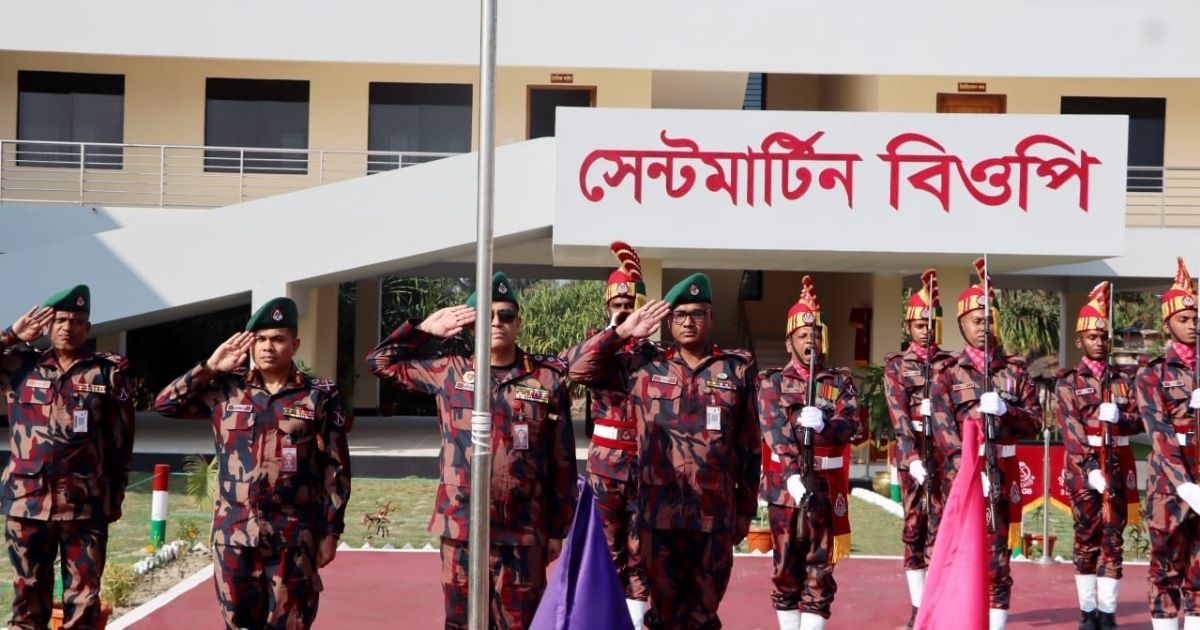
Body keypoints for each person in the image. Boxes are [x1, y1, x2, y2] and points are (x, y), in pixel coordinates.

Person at [366, 271, 577, 629]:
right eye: (487, 315)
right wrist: (424, 331)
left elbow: (562, 461)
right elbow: (380, 363)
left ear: (518, 323)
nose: (497, 323)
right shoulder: (450, 372)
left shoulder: (546, 381)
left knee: (520, 623)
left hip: (523, 532)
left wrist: (557, 530)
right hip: (462, 526)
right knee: (461, 622)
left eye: (506, 316)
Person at [567, 272, 760, 629]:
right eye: (680, 314)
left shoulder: (736, 368)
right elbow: (578, 369)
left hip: (713, 515)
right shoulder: (644, 365)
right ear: (669, 321)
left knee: (704, 616)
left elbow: (749, 448)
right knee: (664, 616)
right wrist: (621, 332)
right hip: (659, 516)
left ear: (712, 317)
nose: (689, 321)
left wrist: (746, 512)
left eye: (698, 313)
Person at [154, 297, 351, 629]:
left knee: (290, 623)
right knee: (239, 623)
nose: (268, 347)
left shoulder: (319, 395)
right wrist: (210, 367)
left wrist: (331, 531)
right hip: (234, 532)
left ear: (295, 344)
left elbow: (336, 467)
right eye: (260, 340)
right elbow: (165, 405)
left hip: (294, 535)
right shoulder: (225, 390)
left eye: (278, 339)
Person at [0, 285, 135, 629]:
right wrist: (12, 335)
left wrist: (114, 497)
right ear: (47, 325)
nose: (67, 327)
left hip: (84, 505)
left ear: (87, 327)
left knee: (83, 601)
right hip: (27, 504)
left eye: (76, 320)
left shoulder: (107, 372)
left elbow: (121, 441)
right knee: (27, 597)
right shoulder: (20, 365)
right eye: (60, 319)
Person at [929, 259, 1042, 630]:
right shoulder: (948, 375)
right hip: (965, 477)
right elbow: (943, 432)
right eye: (977, 320)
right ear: (962, 324)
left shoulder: (1014, 371)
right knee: (963, 553)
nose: (985, 326)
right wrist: (969, 469)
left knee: (998, 561)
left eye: (989, 319)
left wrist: (1006, 409)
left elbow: (1036, 422)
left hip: (1004, 475)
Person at [758, 275, 859, 630]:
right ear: (790, 341)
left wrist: (825, 427)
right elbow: (773, 429)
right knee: (786, 569)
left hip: (827, 487)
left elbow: (854, 427)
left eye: (815, 335)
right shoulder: (772, 382)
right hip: (787, 491)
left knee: (821, 570)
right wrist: (791, 474)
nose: (810, 341)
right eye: (803, 336)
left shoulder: (839, 381)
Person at [1057, 281, 1141, 630]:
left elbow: (1140, 419)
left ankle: (1107, 613)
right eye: (1092, 337)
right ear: (1080, 341)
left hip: (1117, 467)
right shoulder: (1068, 382)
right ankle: (1087, 612)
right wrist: (1091, 467)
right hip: (1083, 469)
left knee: (1113, 539)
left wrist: (1121, 417)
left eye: (1104, 336)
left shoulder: (1123, 379)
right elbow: (1071, 431)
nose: (1100, 342)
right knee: (1086, 538)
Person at [579, 241, 652, 626]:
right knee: (607, 551)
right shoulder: (596, 346)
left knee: (640, 553)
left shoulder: (653, 352)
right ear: (608, 308)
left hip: (644, 466)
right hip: (606, 469)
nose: (623, 311)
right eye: (616, 305)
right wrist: (614, 334)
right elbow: (576, 369)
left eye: (629, 304)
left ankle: (636, 622)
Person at [882, 269, 954, 627]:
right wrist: (910, 457)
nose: (925, 330)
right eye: (919, 324)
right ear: (908, 327)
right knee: (914, 527)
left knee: (940, 529)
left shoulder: (950, 365)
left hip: (943, 456)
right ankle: (917, 604)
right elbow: (897, 414)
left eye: (931, 324)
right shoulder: (897, 366)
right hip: (913, 458)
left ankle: (939, 601)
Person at [1136, 257, 1200, 630]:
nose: (1192, 325)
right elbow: (1158, 431)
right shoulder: (1152, 372)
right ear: (1167, 324)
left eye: (1195, 319)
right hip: (1168, 486)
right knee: (1165, 567)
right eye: (1183, 319)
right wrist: (1185, 484)